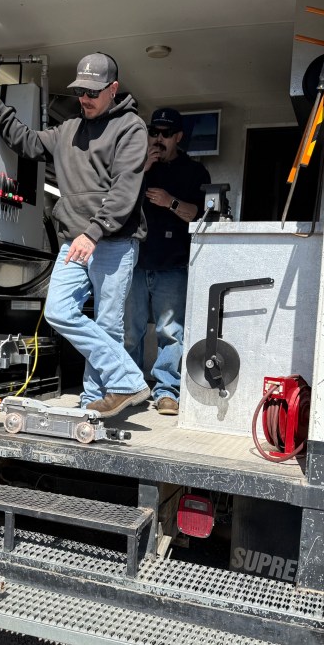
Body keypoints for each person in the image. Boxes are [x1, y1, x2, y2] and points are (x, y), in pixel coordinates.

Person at [0, 52, 150, 419]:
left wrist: (94, 233)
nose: (85, 98)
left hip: (113, 242)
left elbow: (124, 191)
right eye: (80, 90)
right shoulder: (68, 129)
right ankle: (127, 380)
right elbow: (29, 142)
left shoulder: (131, 128)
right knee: (59, 311)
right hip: (75, 239)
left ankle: (92, 404)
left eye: (93, 92)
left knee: (106, 324)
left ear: (113, 89)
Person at [124, 107, 211, 416]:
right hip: (135, 261)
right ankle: (130, 389)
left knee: (170, 332)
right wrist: (142, 167)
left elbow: (198, 215)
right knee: (131, 332)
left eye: (164, 134)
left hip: (173, 264)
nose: (157, 139)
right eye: (153, 133)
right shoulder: (137, 164)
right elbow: (117, 200)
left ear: (178, 137)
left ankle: (165, 391)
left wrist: (169, 201)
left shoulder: (195, 172)